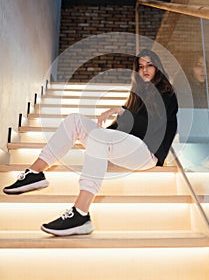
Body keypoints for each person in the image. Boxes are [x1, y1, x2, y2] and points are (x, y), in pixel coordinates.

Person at [3, 49, 178, 236]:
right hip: (127, 146)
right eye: (140, 67)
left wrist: (118, 111)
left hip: (148, 153)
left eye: (149, 65)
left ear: (157, 67)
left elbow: (153, 127)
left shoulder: (167, 94)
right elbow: (120, 128)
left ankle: (81, 213)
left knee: (99, 137)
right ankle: (35, 173)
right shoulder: (136, 95)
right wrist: (96, 135)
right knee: (75, 120)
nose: (144, 70)